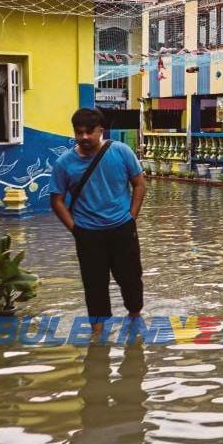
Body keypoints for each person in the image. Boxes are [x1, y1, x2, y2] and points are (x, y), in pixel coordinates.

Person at [50, 108, 146, 329]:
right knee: (94, 286)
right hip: (88, 233)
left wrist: (131, 217)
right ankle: (98, 338)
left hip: (122, 228)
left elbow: (139, 184)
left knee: (131, 280)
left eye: (89, 132)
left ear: (100, 130)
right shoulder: (65, 163)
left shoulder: (121, 152)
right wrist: (76, 230)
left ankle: (135, 320)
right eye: (78, 132)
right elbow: (56, 200)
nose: (83, 137)